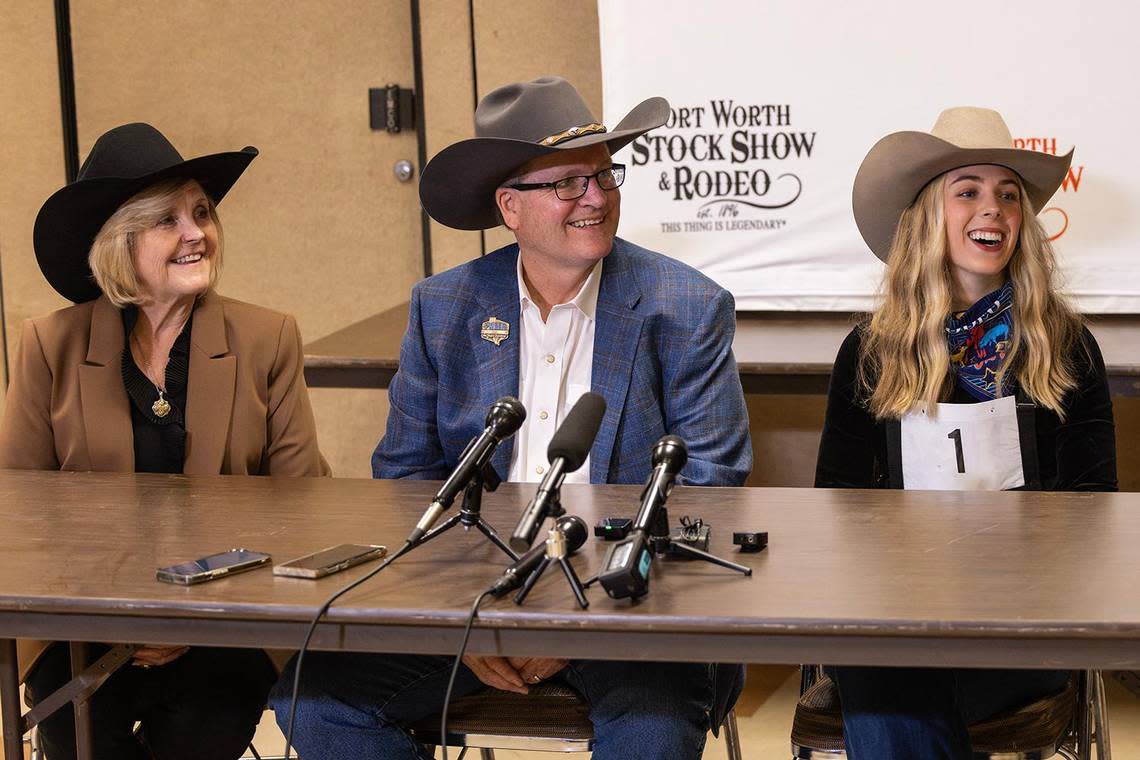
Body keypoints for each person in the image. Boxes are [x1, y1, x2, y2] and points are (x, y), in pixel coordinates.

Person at [271, 76, 752, 759]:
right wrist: (468, 625)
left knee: (651, 727)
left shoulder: (685, 306)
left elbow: (712, 487)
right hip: (475, 599)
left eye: (605, 175)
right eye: (568, 184)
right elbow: (407, 480)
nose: (596, 198)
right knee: (313, 702)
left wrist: (577, 623)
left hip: (631, 609)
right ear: (510, 207)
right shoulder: (444, 308)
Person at [0, 123, 330, 760]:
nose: (195, 233)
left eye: (202, 213)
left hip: (225, 618)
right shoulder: (49, 344)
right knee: (77, 733)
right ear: (120, 243)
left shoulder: (267, 337)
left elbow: (300, 507)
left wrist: (187, 618)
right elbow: (22, 512)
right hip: (85, 622)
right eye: (167, 221)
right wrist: (122, 619)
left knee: (202, 729)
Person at [815, 107, 1117, 758]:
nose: (994, 209)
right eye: (969, 192)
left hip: (1023, 626)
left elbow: (1097, 510)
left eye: (1009, 195)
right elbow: (836, 509)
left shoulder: (1066, 348)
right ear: (929, 215)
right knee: (886, 683)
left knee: (899, 708)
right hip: (896, 622)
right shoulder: (870, 353)